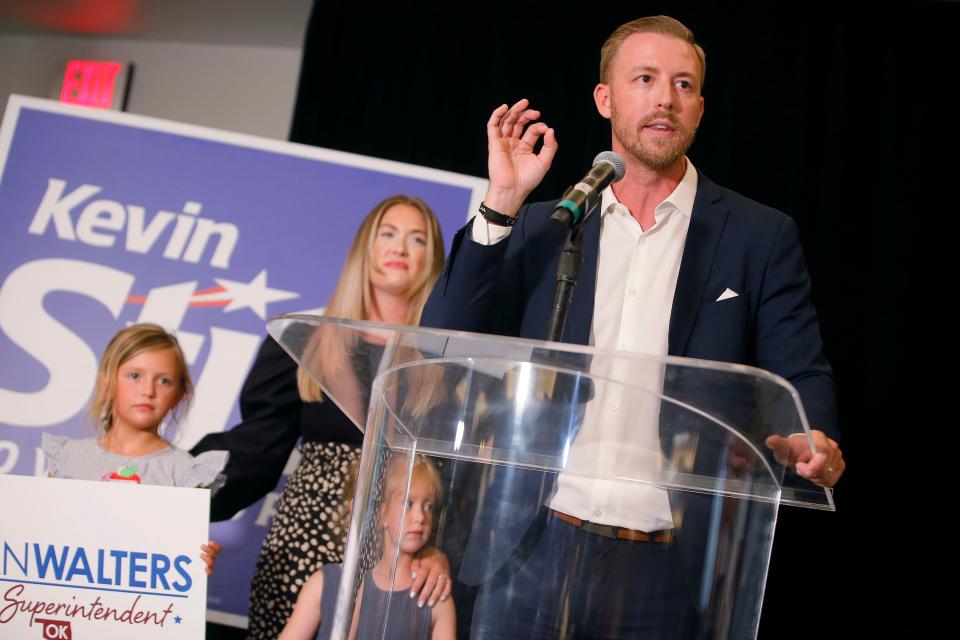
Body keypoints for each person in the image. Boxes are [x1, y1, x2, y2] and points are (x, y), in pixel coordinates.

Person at [420, 15, 846, 638]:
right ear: (605, 98)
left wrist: (814, 435)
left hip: (671, 561)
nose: (664, 98)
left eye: (683, 84)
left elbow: (800, 367)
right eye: (644, 79)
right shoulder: (548, 225)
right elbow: (446, 331)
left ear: (699, 108)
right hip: (530, 543)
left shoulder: (758, 237)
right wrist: (503, 200)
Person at [191, 195, 452, 639]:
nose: (400, 249)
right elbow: (256, 450)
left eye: (417, 239)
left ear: (433, 259)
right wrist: (176, 492)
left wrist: (440, 551)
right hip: (301, 544)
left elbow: (453, 478)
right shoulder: (304, 340)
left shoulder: (445, 360)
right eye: (386, 234)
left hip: (401, 556)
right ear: (363, 249)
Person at [41, 322, 227, 575]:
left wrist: (198, 561)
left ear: (178, 396)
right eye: (134, 376)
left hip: (137, 612)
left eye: (164, 381)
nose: (148, 391)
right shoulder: (68, 458)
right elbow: (41, 535)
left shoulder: (185, 474)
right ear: (106, 383)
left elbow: (178, 557)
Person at [280, 456, 456, 640]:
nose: (420, 517)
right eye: (408, 503)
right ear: (381, 512)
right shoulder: (324, 583)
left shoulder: (435, 598)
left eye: (428, 506)